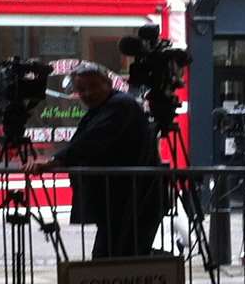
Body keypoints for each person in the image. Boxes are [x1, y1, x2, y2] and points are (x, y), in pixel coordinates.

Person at [31, 63, 165, 259]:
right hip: (120, 202)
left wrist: (54, 161)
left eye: (93, 86)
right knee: (110, 258)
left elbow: (91, 141)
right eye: (81, 89)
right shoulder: (101, 108)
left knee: (117, 260)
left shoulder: (120, 105)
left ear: (108, 84)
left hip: (134, 200)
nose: (87, 93)